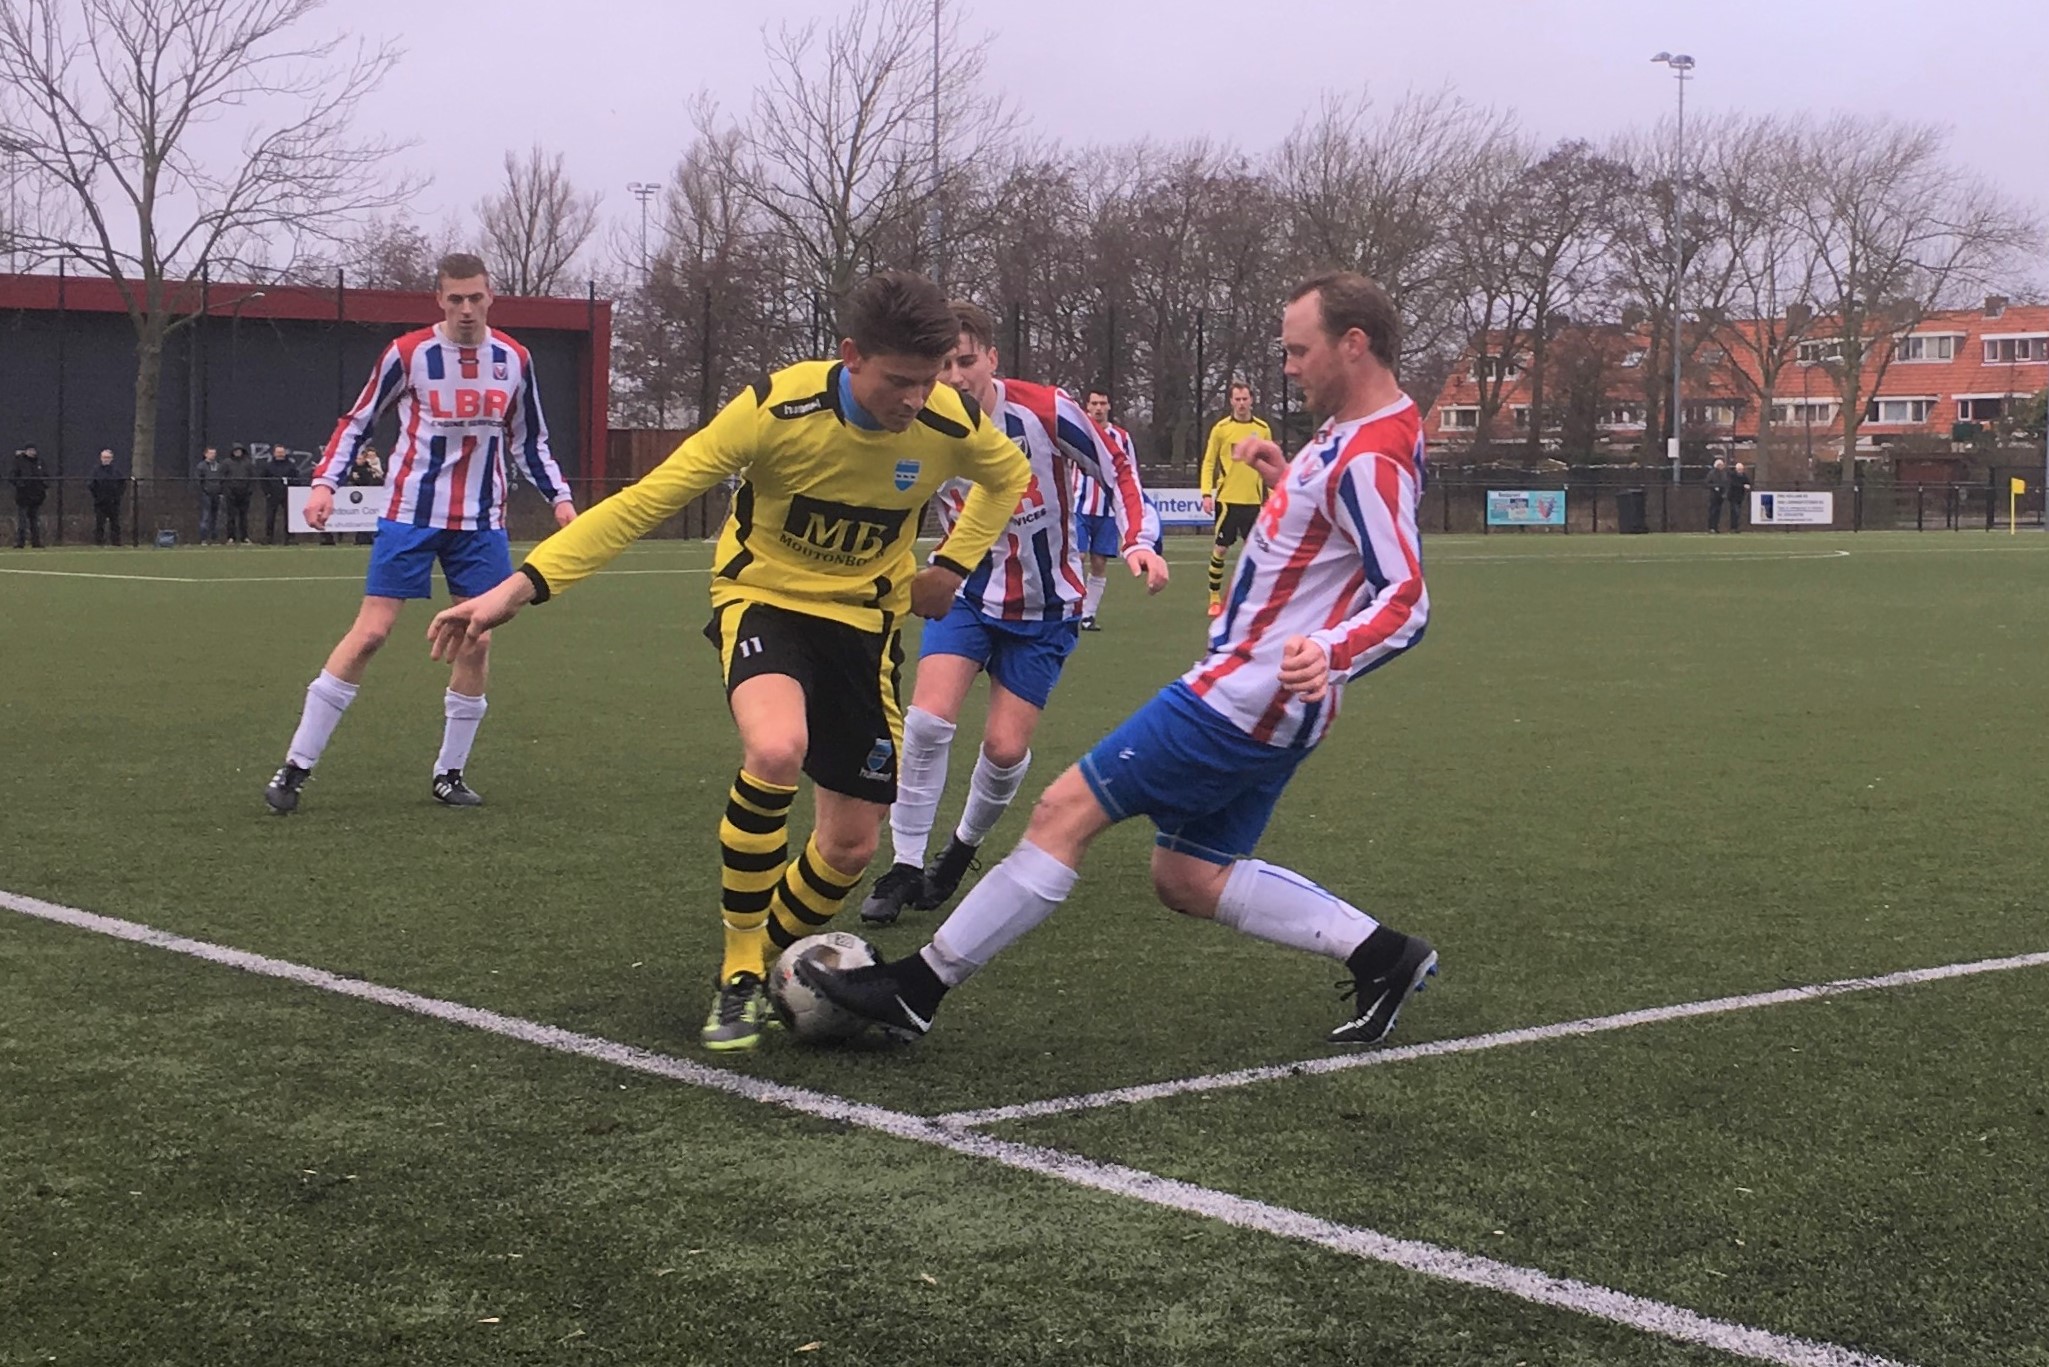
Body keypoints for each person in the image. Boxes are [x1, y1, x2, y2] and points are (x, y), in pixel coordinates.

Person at [803, 270, 1437, 1050]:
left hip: (1241, 697)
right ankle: (1386, 955)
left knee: (1061, 812)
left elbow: (1405, 596)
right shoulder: (1362, 430)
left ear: (1354, 343)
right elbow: (1330, 539)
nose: (1287, 367)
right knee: (1188, 877)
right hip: (1274, 705)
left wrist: (1332, 650)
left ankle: (915, 988)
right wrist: (1286, 487)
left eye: (1297, 350)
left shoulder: (1369, 452)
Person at [423, 270, 1034, 1052]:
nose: (915, 400)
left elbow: (1005, 475)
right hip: (765, 601)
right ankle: (742, 969)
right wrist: (521, 584)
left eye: (927, 381)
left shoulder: (947, 420)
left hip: (864, 623)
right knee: (777, 748)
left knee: (849, 846)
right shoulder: (777, 408)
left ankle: (756, 951)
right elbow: (646, 500)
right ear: (850, 357)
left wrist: (951, 564)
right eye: (898, 382)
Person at [859, 303, 1166, 928]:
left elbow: (1120, 472)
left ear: (992, 359)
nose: (953, 378)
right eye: (941, 366)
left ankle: (962, 848)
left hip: (1047, 609)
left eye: (965, 362)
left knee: (1003, 749)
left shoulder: (1046, 411)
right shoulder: (920, 421)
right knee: (926, 722)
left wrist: (1139, 541)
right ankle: (904, 864)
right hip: (966, 592)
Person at [263, 252, 578, 817]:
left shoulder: (515, 359)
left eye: (475, 297)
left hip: (481, 523)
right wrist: (324, 484)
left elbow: (531, 441)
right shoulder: (408, 354)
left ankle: (449, 774)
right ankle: (295, 766)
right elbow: (358, 421)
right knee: (371, 635)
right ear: (439, 299)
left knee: (477, 639)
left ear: (490, 297)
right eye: (454, 298)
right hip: (410, 514)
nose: (465, 308)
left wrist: (560, 498)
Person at [1201, 381, 1272, 618]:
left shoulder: (1262, 429)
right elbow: (1209, 461)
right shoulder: (1221, 429)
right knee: (1221, 549)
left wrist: (1272, 497)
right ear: (1231, 401)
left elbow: (1269, 463)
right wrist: (1206, 493)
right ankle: (1214, 597)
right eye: (1237, 399)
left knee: (1257, 552)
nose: (1241, 404)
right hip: (1227, 500)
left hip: (1253, 501)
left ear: (1251, 400)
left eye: (1245, 399)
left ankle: (1253, 599)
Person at [1072, 388, 1139, 631]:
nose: (1099, 408)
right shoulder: (1076, 431)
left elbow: (1130, 473)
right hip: (1079, 506)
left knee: (1099, 562)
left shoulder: (1121, 437)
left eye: (1103, 403)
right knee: (1076, 557)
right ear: (1087, 407)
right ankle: (1072, 609)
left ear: (1109, 406)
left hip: (1107, 512)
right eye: (1094, 403)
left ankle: (1088, 615)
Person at [11, 444, 48, 548]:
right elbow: (12, 477)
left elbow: (46, 476)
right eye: (30, 450)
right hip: (23, 497)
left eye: (33, 450)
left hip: (36, 497)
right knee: (22, 522)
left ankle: (36, 543)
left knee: (35, 522)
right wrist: (21, 485)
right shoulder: (19, 462)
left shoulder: (40, 462)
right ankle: (20, 543)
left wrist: (44, 486)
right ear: (25, 451)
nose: (32, 452)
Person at [88, 448, 126, 545]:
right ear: (101, 458)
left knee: (115, 523)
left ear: (112, 458)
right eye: (104, 457)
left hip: (114, 502)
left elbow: (122, 484)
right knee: (100, 523)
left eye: (108, 457)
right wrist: (97, 496)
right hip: (100, 502)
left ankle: (116, 542)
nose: (106, 459)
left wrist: (117, 496)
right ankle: (99, 542)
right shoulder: (96, 471)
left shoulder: (116, 471)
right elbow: (91, 485)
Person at [350, 446, 385, 545]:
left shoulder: (378, 466)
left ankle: (372, 537)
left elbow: (381, 477)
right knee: (361, 517)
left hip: (374, 495)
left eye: (372, 456)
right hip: (363, 495)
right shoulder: (359, 468)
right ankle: (361, 538)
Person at [222, 443, 256, 543]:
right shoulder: (226, 463)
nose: (237, 452)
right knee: (231, 516)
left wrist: (249, 491)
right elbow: (221, 478)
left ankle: (244, 537)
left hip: (244, 494)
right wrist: (227, 491)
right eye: (236, 451)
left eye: (239, 450)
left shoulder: (248, 463)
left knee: (243, 517)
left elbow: (253, 478)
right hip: (231, 494)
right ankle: (231, 537)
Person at [260, 443, 294, 544]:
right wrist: (267, 493)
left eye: (282, 452)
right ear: (274, 453)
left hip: (287, 494)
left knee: (289, 518)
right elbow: (263, 480)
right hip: (272, 495)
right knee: (270, 517)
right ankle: (268, 538)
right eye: (278, 452)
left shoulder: (291, 466)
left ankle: (290, 538)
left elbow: (296, 479)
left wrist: (292, 491)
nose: (280, 454)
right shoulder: (268, 466)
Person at [194, 447, 225, 544]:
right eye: (211, 453)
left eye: (214, 453)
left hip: (217, 494)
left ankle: (214, 538)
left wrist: (221, 491)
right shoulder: (201, 466)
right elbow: (198, 480)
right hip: (206, 494)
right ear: (205, 454)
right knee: (206, 516)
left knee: (216, 517)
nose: (213, 455)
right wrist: (204, 490)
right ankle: (203, 539)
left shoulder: (219, 466)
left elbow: (222, 479)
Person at [1706, 457, 1729, 533]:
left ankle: (1716, 527)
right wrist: (1714, 487)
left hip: (1720, 496)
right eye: (1721, 465)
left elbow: (1725, 484)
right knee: (1712, 511)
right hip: (1713, 496)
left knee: (1718, 512)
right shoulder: (1711, 473)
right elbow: (1707, 483)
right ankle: (1711, 527)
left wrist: (1724, 493)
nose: (1722, 466)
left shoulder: (1724, 474)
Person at [1728, 461, 1751, 532]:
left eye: (1742, 469)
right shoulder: (1732, 475)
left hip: (1740, 497)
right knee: (1735, 512)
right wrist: (1743, 486)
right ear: (1736, 469)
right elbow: (1734, 484)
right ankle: (1733, 527)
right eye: (1739, 469)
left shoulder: (1744, 475)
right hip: (1733, 496)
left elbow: (1748, 482)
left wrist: (1748, 485)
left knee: (1738, 513)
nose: (1741, 471)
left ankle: (1735, 527)